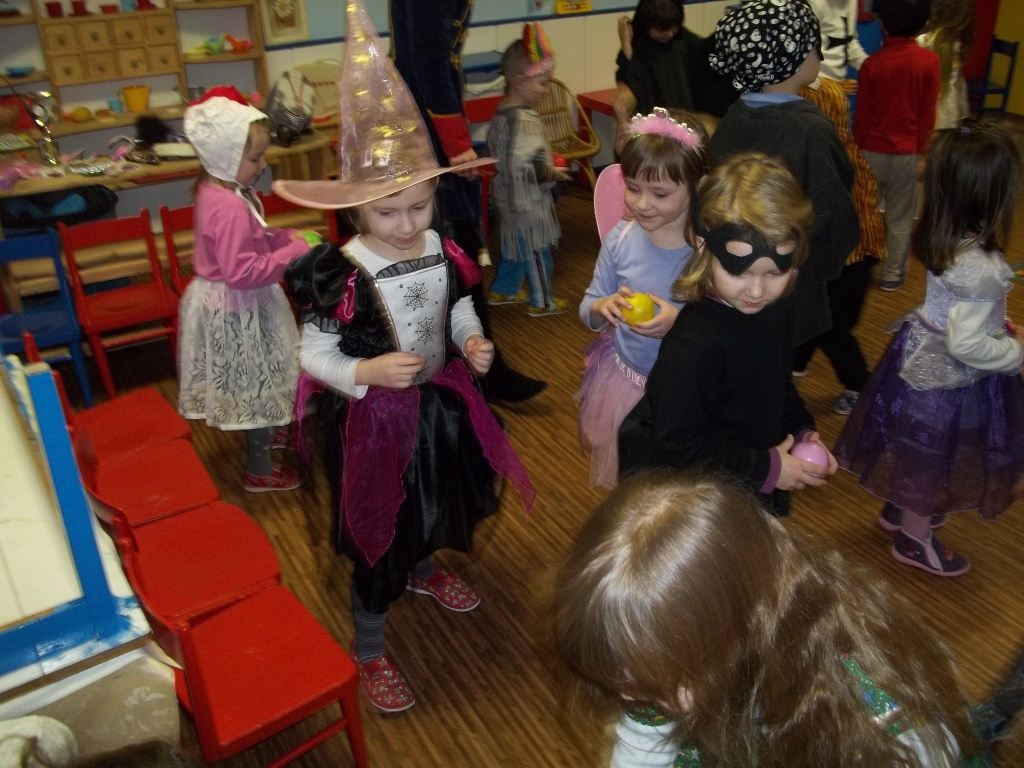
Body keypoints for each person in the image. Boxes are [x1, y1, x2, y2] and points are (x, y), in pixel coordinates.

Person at [274, 0, 534, 713]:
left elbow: (455, 304)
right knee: (378, 526)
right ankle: (370, 644)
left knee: (434, 495)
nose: (406, 224)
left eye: (419, 207)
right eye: (387, 213)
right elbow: (312, 354)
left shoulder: (440, 245)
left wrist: (470, 341)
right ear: (355, 210)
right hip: (372, 424)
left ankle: (423, 567)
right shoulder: (341, 271)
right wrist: (364, 372)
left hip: (438, 408)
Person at [551, 470, 977, 768]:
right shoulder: (671, 661)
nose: (649, 703)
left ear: (742, 626)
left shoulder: (878, 716)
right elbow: (642, 745)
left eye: (663, 685)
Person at [835, 120, 1024, 577]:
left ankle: (899, 507)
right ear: (995, 196)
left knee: (915, 441)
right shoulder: (981, 267)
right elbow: (966, 342)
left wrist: (995, 323)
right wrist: (1015, 354)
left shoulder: (945, 234)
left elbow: (953, 310)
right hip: (950, 377)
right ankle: (914, 539)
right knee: (934, 456)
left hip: (920, 354)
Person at [618, 153, 837, 517]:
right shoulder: (693, 344)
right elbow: (677, 443)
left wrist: (801, 429)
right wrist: (766, 468)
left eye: (774, 274)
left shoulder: (776, 311)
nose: (757, 291)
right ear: (705, 249)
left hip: (749, 471)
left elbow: (776, 384)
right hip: (697, 493)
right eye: (740, 273)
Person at [390, 0, 547, 403]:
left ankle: (478, 369)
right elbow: (429, 60)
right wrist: (456, 142)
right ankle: (467, 379)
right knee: (451, 249)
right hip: (426, 133)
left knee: (458, 248)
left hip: (428, 126)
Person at [177, 86, 309, 493]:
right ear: (225, 155)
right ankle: (259, 467)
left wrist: (281, 238)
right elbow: (242, 271)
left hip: (228, 300)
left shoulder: (218, 191)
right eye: (254, 158)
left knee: (261, 373)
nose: (262, 165)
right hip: (238, 304)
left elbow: (249, 240)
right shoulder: (231, 206)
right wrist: (290, 254)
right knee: (255, 381)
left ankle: (268, 430)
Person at [708, 0, 859, 349]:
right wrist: (823, 267)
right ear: (796, 56)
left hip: (736, 272)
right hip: (788, 279)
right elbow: (834, 210)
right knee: (774, 364)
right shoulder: (810, 130)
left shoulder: (733, 117)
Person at [577, 108, 707, 489]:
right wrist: (602, 308)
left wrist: (678, 324)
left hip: (688, 389)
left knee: (684, 481)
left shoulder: (706, 251)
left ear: (696, 187)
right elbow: (587, 307)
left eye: (660, 193)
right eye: (633, 188)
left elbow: (724, 327)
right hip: (628, 385)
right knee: (636, 481)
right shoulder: (619, 240)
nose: (642, 203)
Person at [793, 75, 886, 415]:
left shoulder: (829, 159)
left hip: (848, 258)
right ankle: (798, 359)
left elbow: (830, 215)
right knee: (813, 311)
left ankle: (859, 383)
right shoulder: (841, 146)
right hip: (847, 255)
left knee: (831, 326)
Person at [486, 23, 572, 317]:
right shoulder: (525, 121)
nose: (546, 90)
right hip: (527, 202)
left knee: (515, 247)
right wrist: (552, 173)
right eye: (543, 83)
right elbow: (525, 166)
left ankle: (504, 290)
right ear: (520, 80)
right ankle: (543, 301)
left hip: (508, 199)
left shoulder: (503, 111)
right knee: (537, 250)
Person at [853, 0, 939, 291]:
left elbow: (862, 117)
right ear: (924, 24)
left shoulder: (872, 64)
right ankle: (892, 274)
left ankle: (860, 266)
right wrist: (923, 154)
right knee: (900, 217)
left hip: (871, 152)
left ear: (882, 23)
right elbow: (927, 114)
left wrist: (857, 151)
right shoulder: (929, 62)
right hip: (907, 153)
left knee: (864, 213)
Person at [612, 0, 734, 152]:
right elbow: (635, 82)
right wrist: (627, 48)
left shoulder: (682, 40)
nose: (669, 34)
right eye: (661, 29)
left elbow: (706, 59)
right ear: (645, 25)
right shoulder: (639, 46)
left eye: (674, 27)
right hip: (655, 132)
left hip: (688, 121)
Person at [916, 0, 973, 130]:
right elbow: (959, 86)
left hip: (922, 105)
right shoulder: (959, 45)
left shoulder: (922, 41)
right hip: (947, 110)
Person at [807, 0, 869, 79]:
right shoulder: (812, 4)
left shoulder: (851, 2)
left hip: (839, 81)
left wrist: (872, 67)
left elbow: (849, 42)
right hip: (814, 80)